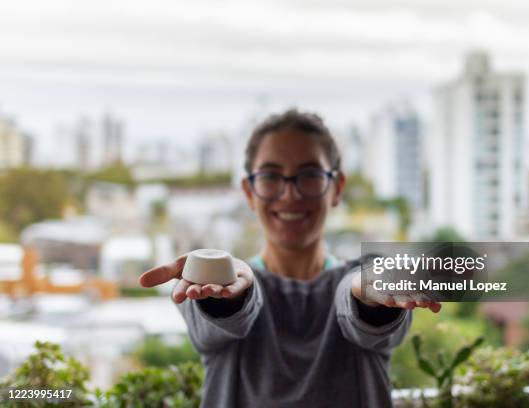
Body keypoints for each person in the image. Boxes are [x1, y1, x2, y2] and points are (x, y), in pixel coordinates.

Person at [139, 109, 441, 408]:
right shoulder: (222, 283)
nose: (290, 195)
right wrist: (225, 297)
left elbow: (356, 304)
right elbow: (217, 324)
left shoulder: (360, 279)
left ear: (336, 188)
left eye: (309, 175)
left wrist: (369, 296)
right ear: (249, 191)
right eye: (271, 176)